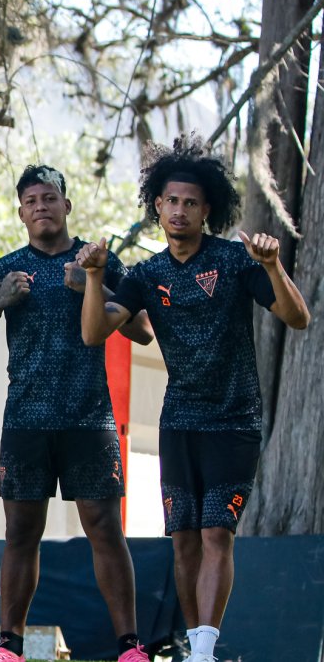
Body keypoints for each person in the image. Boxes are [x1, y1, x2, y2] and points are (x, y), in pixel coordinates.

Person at [77, 136, 310, 662]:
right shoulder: (145, 275)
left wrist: (272, 267)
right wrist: (94, 276)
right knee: (182, 537)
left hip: (234, 420)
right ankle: (191, 641)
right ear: (157, 205)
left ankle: (204, 649)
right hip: (178, 421)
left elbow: (298, 318)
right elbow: (95, 333)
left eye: (191, 203)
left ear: (208, 210)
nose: (179, 210)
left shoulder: (234, 260)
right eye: (171, 201)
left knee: (215, 533)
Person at [0, 165, 153, 662]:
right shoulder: (4, 270)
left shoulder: (98, 261)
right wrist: (0, 299)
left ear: (67, 206)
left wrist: (91, 285)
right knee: (22, 532)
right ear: (20, 213)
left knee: (105, 529)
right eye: (31, 201)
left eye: (50, 198)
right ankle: (9, 647)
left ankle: (129, 646)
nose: (41, 206)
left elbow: (143, 330)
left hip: (90, 419)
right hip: (27, 421)